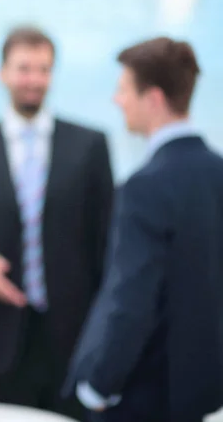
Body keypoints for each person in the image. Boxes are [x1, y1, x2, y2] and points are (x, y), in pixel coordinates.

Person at [0, 26, 113, 419]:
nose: (33, 79)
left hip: (74, 339)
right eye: (24, 68)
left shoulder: (90, 146)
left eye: (43, 69)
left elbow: (107, 247)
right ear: (3, 73)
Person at [64, 37, 223, 422]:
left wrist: (99, 384)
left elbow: (131, 300)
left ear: (152, 98)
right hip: (201, 391)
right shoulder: (218, 173)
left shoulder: (144, 186)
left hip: (140, 394)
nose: (118, 101)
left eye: (123, 90)